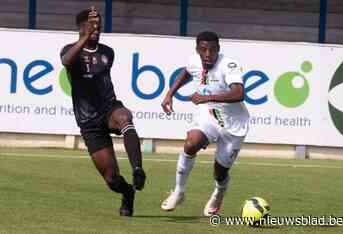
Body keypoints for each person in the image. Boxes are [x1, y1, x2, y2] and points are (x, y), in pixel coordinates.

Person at [60, 7, 146, 217]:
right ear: (81, 27)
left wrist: (90, 35)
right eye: (92, 24)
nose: (97, 28)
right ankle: (127, 192)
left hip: (109, 108)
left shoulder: (107, 52)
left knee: (125, 117)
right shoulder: (69, 50)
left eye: (98, 24)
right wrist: (85, 37)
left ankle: (137, 170)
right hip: (88, 120)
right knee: (111, 179)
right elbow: (67, 62)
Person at [160, 31, 249, 216]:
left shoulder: (228, 65)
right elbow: (186, 72)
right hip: (208, 113)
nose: (208, 54)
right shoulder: (194, 60)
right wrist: (170, 94)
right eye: (203, 50)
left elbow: (239, 93)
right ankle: (179, 191)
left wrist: (207, 97)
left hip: (233, 123)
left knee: (220, 173)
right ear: (197, 49)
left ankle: (219, 192)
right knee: (191, 142)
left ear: (219, 49)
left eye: (212, 50)